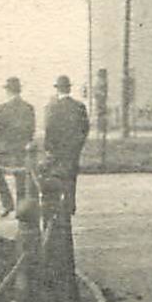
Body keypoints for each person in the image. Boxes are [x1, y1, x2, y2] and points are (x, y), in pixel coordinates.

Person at [44, 75, 90, 217]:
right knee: (71, 176)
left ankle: (58, 204)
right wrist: (78, 145)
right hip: (73, 149)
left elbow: (49, 129)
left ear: (58, 90)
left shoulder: (52, 107)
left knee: (57, 175)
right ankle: (70, 205)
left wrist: (48, 148)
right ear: (69, 89)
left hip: (57, 149)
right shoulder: (79, 106)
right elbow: (85, 128)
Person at [0, 76, 35, 217]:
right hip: (21, 149)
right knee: (21, 180)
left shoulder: (1, 109)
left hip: (4, 150)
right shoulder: (28, 108)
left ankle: (7, 204)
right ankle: (21, 209)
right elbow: (31, 130)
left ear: (8, 91)